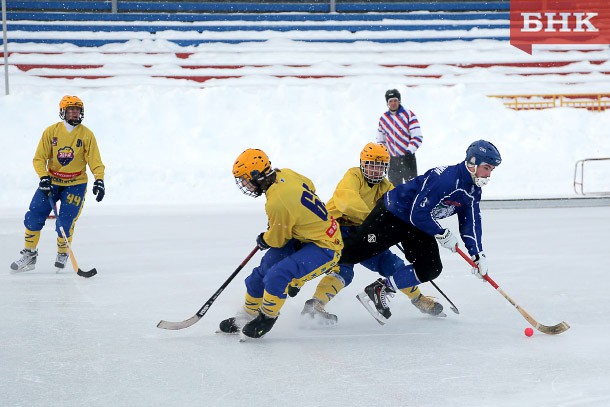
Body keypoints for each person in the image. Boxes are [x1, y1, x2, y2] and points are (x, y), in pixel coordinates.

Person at [340, 140, 501, 324]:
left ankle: (380, 289)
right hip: (393, 214)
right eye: (486, 168)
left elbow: (470, 222)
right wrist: (441, 232)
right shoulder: (446, 179)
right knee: (351, 253)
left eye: (491, 170)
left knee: (430, 268)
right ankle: (308, 255)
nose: (488, 174)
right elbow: (418, 212)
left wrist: (477, 254)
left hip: (417, 224)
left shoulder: (473, 190)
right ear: (472, 163)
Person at [300, 142, 444, 325]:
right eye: (371, 165)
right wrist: (376, 222)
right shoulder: (353, 175)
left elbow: (398, 211)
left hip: (365, 230)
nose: (375, 171)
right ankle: (316, 303)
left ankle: (418, 299)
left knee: (391, 263)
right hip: (338, 229)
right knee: (343, 269)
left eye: (380, 166)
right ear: (362, 164)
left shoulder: (387, 187)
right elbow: (348, 203)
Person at [218, 148, 343, 339]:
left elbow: (277, 239)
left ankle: (267, 317)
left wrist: (263, 238)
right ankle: (247, 314)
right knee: (261, 272)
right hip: (302, 237)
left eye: (244, 179)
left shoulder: (276, 202)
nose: (244, 184)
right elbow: (310, 186)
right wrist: (296, 215)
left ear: (256, 175)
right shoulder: (284, 173)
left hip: (326, 246)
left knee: (277, 276)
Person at [10, 95, 106, 273]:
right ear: (63, 112)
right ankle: (30, 255)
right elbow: (39, 158)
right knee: (33, 216)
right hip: (52, 182)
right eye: (70, 110)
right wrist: (43, 176)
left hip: (76, 183)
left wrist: (99, 179)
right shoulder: (51, 132)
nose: (74, 113)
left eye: (77, 110)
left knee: (65, 222)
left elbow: (95, 160)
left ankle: (62, 252)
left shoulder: (86, 135)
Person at [376, 88, 423, 185]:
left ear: (399, 101)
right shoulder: (384, 119)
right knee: (395, 189)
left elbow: (417, 136)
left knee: (412, 188)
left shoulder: (409, 115)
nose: (393, 103)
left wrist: (410, 151)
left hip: (408, 158)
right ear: (387, 103)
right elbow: (381, 140)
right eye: (390, 101)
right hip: (392, 161)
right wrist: (384, 154)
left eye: (395, 100)